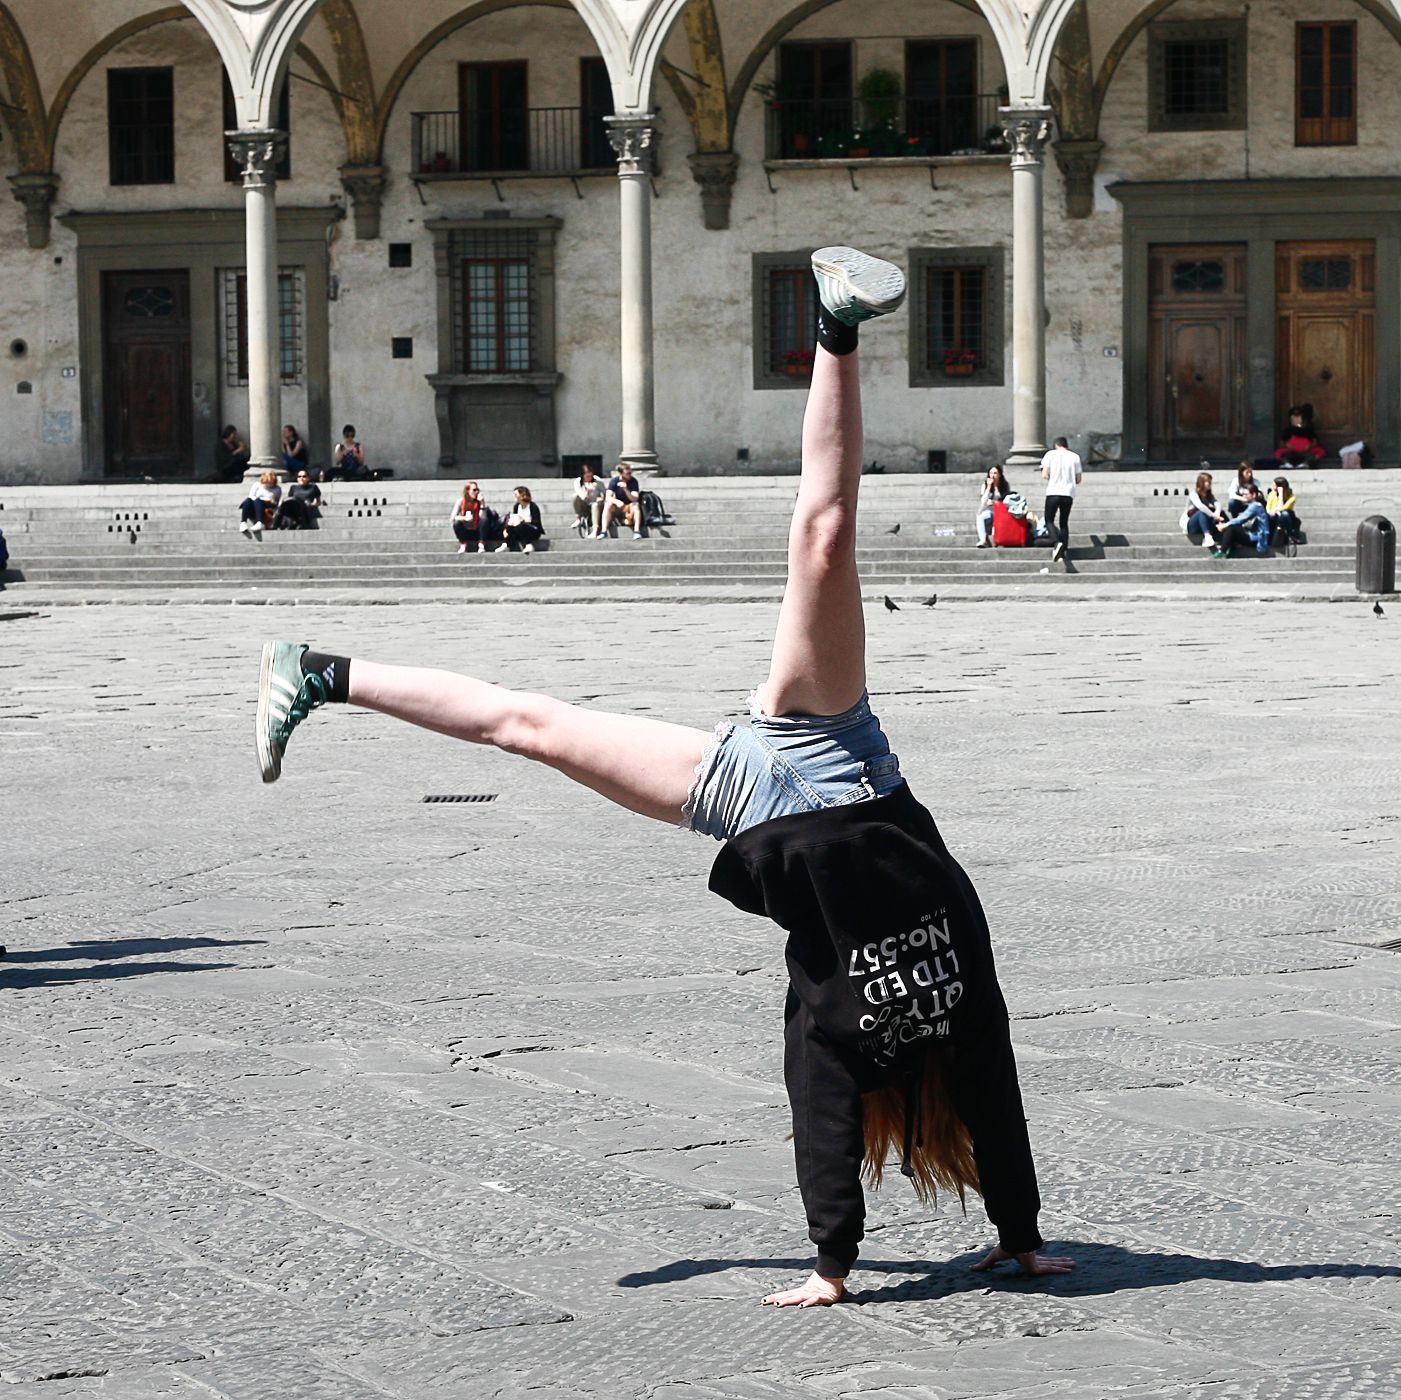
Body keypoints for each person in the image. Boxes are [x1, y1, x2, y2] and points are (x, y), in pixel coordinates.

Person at [251, 244, 1074, 1308]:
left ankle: (316, 672)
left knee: (528, 728)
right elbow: (997, 1089)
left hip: (751, 796)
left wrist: (831, 1266)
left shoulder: (842, 1033)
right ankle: (835, 325)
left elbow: (817, 1107)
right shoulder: (962, 1021)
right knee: (824, 543)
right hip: (845, 760)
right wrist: (1019, 1231)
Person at [1039, 437, 1082, 566]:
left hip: (1053, 491)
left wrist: (1053, 476)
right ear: (1066, 445)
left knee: (1049, 520)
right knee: (1064, 522)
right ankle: (1064, 549)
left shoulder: (1050, 455)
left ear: (1056, 445)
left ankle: (1057, 542)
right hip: (1068, 493)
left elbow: (1045, 474)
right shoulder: (1075, 457)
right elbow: (1078, 479)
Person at [451, 481, 502, 552]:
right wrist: (464, 518)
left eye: (478, 490)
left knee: (484, 517)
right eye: (474, 490)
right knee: (456, 523)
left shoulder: (479, 502)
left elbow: (483, 518)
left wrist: (482, 504)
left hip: (479, 531)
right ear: (467, 491)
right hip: (467, 531)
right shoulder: (461, 501)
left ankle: (481, 544)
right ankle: (463, 545)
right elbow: (453, 517)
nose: (476, 492)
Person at [601, 463, 643, 538]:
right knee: (608, 504)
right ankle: (604, 531)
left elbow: (635, 498)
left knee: (636, 505)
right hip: (619, 507)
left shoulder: (633, 481)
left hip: (629, 507)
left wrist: (626, 489)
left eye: (630, 472)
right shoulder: (614, 481)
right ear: (621, 473)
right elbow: (608, 497)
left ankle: (637, 531)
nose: (630, 475)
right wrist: (616, 501)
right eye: (628, 473)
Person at [238, 470, 281, 538]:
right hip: (254, 505)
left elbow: (275, 502)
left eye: (271, 483)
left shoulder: (277, 489)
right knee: (248, 500)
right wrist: (263, 499)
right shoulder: (257, 485)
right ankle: (243, 522)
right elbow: (251, 496)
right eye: (267, 482)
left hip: (268, 507)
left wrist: (263, 500)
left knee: (258, 500)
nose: (269, 485)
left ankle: (260, 522)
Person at [501, 486, 545, 552]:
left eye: (515, 494)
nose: (514, 496)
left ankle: (528, 545)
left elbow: (536, 523)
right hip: (520, 529)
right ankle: (506, 544)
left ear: (522, 495)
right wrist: (507, 528)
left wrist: (523, 520)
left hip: (533, 530)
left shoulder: (533, 506)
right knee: (511, 525)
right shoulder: (516, 506)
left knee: (520, 524)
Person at [975, 463, 1009, 548]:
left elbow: (1007, 500)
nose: (992, 475)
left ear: (1000, 474)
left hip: (1000, 511)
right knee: (980, 516)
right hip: (988, 511)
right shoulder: (985, 485)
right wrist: (989, 487)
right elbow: (983, 501)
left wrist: (995, 502)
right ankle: (983, 540)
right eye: (991, 473)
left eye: (995, 473)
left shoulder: (1004, 486)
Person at [1264, 475, 1301, 549]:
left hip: (1284, 518)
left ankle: (1290, 535)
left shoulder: (1291, 497)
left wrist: (1280, 495)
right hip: (1273, 516)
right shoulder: (1271, 494)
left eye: (1274, 485)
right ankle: (1268, 538)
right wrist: (1271, 511)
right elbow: (1268, 507)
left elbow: (1284, 508)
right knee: (1268, 516)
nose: (1272, 487)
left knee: (1284, 514)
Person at [572, 465, 607, 533]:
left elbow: (605, 493)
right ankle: (578, 518)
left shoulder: (598, 481)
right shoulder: (578, 482)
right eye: (587, 476)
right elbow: (583, 497)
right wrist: (588, 491)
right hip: (584, 504)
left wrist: (602, 498)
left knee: (595, 505)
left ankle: (595, 529)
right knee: (575, 496)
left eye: (590, 476)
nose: (589, 478)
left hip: (596, 504)